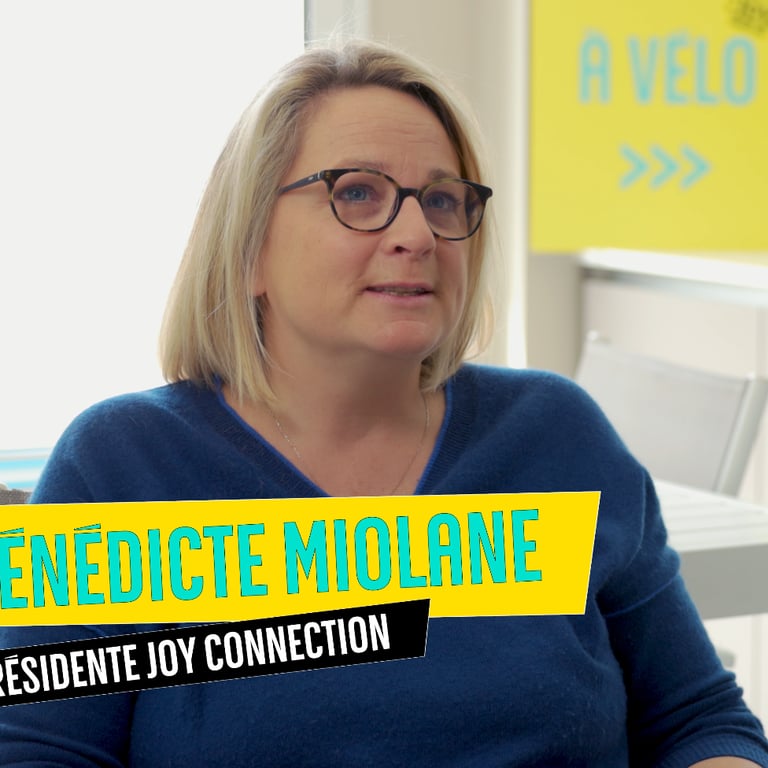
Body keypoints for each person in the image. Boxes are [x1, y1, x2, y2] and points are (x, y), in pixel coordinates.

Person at [1, 38, 766, 768]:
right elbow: (38, 750)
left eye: (442, 199)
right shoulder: (120, 465)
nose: (416, 233)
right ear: (248, 247)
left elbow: (699, 721)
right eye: (357, 193)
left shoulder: (558, 437)